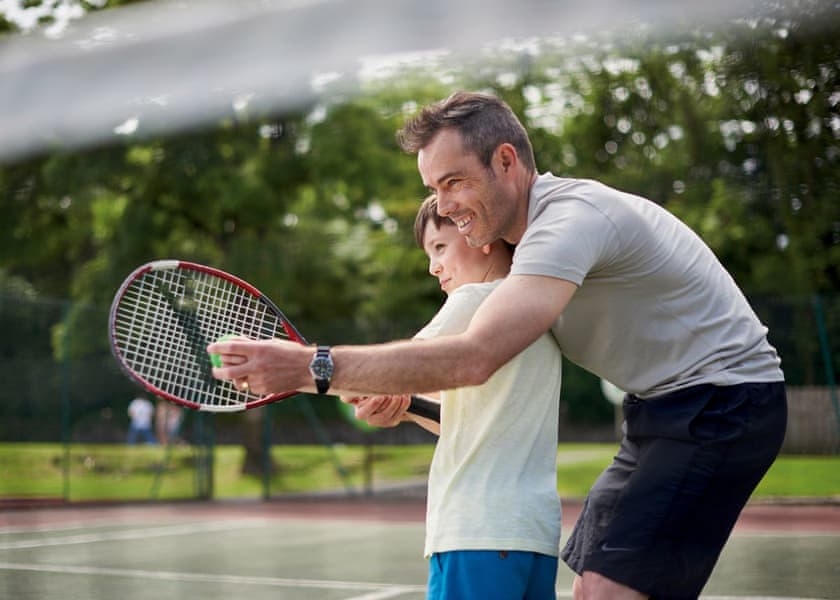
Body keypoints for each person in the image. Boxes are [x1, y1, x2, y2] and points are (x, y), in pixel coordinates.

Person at [209, 91, 787, 600]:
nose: (444, 205)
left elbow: (474, 358)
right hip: (659, 410)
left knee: (613, 590)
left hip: (725, 401)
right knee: (592, 586)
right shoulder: (520, 269)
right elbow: (484, 397)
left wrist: (314, 365)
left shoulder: (565, 226)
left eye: (454, 181)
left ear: (506, 161)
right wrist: (403, 400)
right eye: (434, 188)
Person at [350, 195, 563, 599]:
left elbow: (387, 370)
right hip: (533, 535)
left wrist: (308, 371)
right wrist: (406, 407)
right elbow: (467, 420)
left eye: (440, 247)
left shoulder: (474, 299)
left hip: (476, 531)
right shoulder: (540, 313)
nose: (433, 266)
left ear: (479, 234)